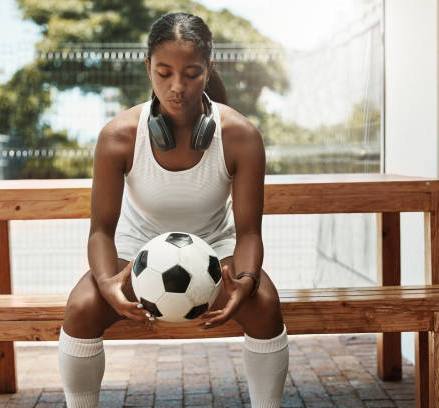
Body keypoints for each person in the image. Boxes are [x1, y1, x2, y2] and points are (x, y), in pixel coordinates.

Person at [58, 12, 288, 408]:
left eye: (192, 73)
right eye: (163, 72)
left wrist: (246, 282)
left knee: (265, 303)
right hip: (136, 255)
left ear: (209, 68)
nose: (177, 87)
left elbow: (249, 232)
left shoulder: (241, 136)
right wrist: (108, 282)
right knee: (81, 307)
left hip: (216, 250)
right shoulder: (118, 137)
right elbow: (101, 231)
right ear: (147, 66)